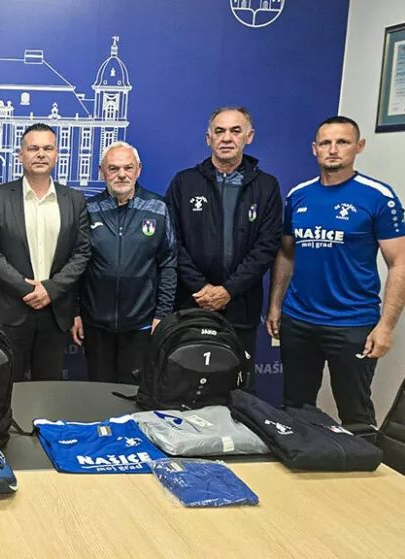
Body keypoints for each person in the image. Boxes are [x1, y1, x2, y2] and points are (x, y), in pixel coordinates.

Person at [266, 116, 405, 426]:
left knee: (355, 413)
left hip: (353, 323)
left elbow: (400, 263)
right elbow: (286, 254)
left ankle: (361, 458)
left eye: (342, 142)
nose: (333, 150)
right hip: (299, 321)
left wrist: (386, 326)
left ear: (359, 146)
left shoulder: (378, 196)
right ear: (314, 149)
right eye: (325, 143)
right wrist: (275, 306)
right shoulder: (298, 195)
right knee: (296, 408)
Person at [165, 106, 282, 386]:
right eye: (219, 131)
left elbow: (267, 246)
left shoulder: (266, 186)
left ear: (249, 137)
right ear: (209, 138)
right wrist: (202, 289)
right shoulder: (184, 182)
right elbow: (170, 241)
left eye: (235, 131)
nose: (227, 138)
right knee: (185, 385)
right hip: (192, 303)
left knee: (237, 387)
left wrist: (228, 290)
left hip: (240, 306)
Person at [0, 123, 91, 381]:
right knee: (7, 388)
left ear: (57, 155)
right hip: (10, 311)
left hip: (55, 312)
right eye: (33, 148)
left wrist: (50, 289)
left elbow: (82, 252)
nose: (40, 154)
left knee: (48, 390)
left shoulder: (74, 199)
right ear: (20, 155)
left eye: (47, 148)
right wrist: (27, 289)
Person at [73, 142, 176, 384]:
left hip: (141, 324)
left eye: (128, 167)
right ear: (101, 172)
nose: (121, 174)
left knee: (132, 395)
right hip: (95, 324)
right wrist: (74, 312)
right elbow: (75, 264)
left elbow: (168, 264)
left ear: (138, 169)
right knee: (98, 392)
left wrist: (162, 314)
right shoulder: (88, 209)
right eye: (113, 168)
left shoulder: (158, 208)